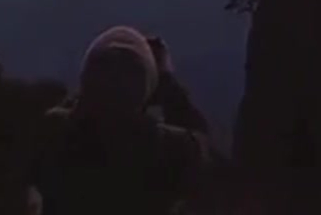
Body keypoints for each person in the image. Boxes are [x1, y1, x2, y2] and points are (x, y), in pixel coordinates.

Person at [33, 25, 208, 215]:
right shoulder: (167, 149)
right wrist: (166, 80)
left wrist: (94, 88)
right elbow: (201, 145)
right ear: (144, 87)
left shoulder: (53, 134)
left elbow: (70, 114)